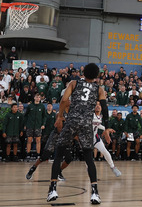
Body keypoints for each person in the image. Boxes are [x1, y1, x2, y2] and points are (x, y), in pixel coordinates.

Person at [47, 63, 108, 204]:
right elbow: (104, 108)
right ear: (96, 75)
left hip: (72, 122)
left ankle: (52, 189)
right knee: (89, 158)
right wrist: (108, 127)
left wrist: (60, 116)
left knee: (59, 154)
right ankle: (95, 193)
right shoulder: (99, 89)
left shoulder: (74, 83)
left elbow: (64, 100)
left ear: (84, 72)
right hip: (86, 124)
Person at [91, 103, 121, 177]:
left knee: (105, 151)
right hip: (86, 137)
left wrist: (106, 129)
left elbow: (98, 125)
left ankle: (113, 167)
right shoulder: (90, 115)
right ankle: (89, 170)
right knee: (88, 156)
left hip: (95, 137)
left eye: (99, 105)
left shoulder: (100, 116)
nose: (97, 106)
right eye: (96, 105)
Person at [25, 94, 46, 158]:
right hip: (30, 126)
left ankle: (38, 154)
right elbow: (26, 115)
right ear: (34, 98)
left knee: (38, 141)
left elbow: (44, 116)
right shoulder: (30, 106)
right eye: (37, 97)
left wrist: (43, 124)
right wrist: (26, 124)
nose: (38, 98)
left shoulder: (42, 106)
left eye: (39, 97)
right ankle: (28, 154)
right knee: (29, 140)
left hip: (38, 126)